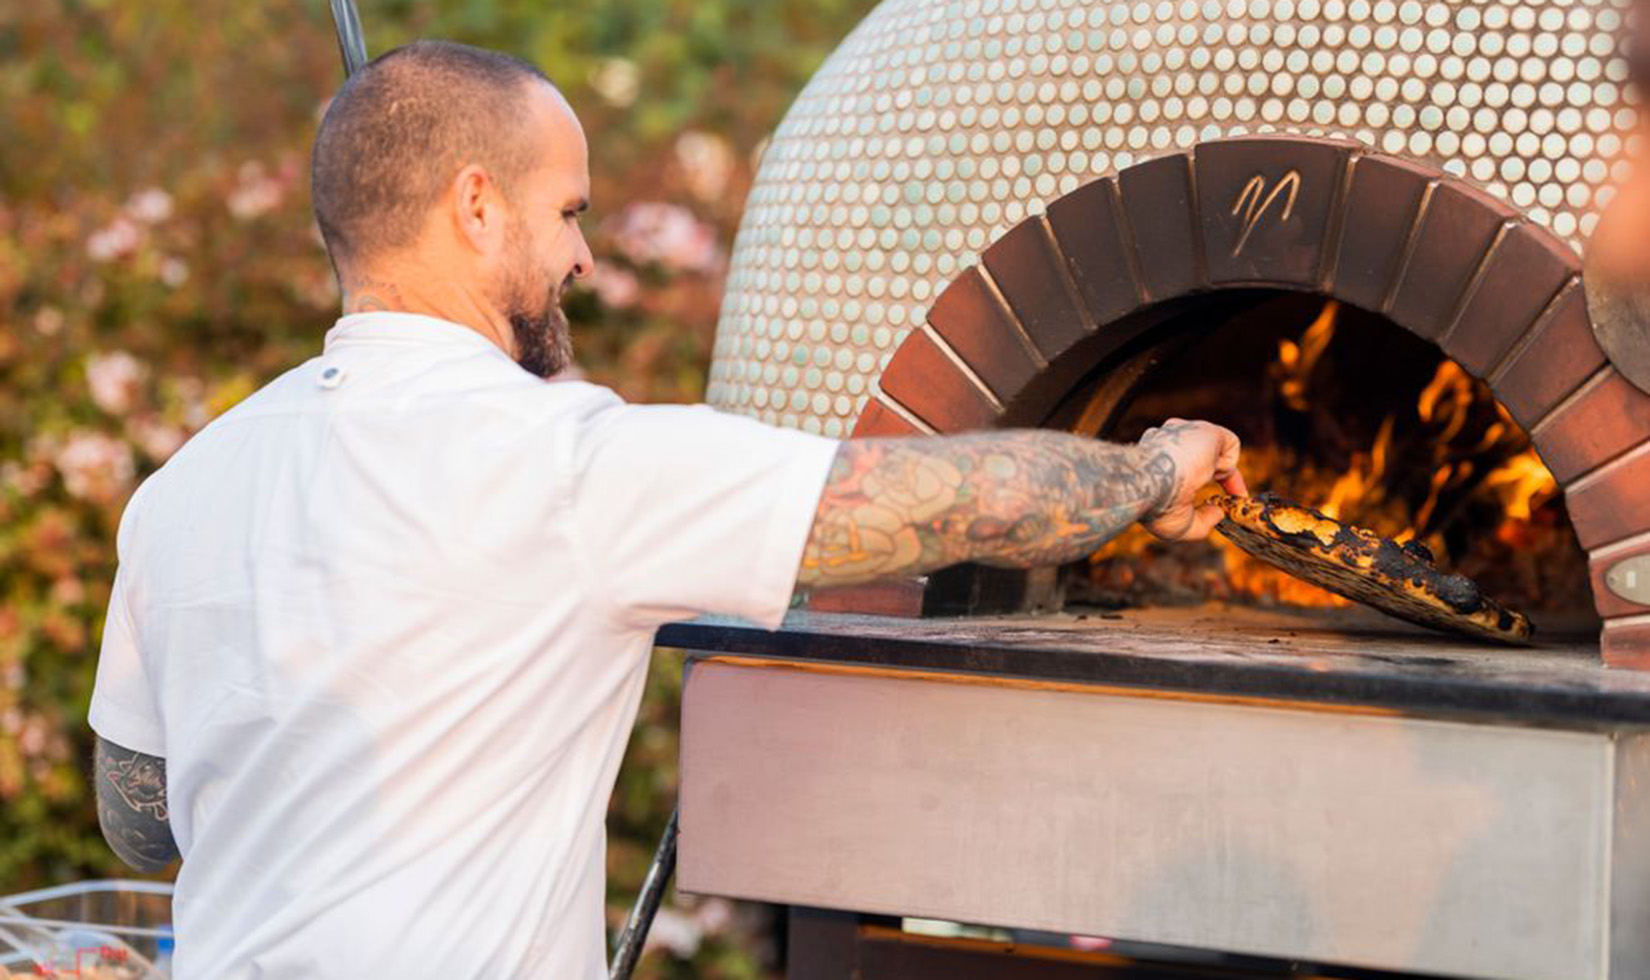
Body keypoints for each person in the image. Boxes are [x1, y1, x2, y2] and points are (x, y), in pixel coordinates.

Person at [86, 40, 1245, 979]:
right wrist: (1153, 473)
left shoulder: (182, 487)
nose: (582, 257)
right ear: (477, 206)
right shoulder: (572, 468)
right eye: (570, 211)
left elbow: (140, 821)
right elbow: (958, 503)